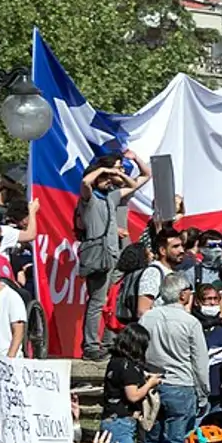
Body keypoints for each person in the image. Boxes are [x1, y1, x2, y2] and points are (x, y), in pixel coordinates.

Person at [78, 153, 153, 359]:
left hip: (113, 255)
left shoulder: (111, 196)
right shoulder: (89, 198)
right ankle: (91, 346)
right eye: (103, 178)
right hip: (97, 256)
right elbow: (86, 182)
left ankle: (108, 341)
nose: (108, 180)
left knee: (113, 298)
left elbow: (139, 181)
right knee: (97, 301)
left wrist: (126, 165)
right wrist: (103, 170)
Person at [139, 273, 209, 443]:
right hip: (181, 386)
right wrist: (204, 392)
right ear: (183, 294)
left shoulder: (147, 318)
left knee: (151, 441)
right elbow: (200, 362)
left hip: (153, 384)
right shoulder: (191, 322)